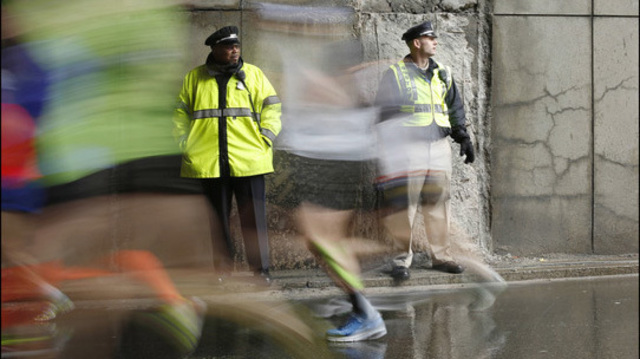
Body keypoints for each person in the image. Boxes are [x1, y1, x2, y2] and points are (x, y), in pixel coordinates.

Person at [276, 39, 386, 342]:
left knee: (324, 243)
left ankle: (365, 312)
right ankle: (361, 304)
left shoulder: (332, 88)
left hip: (333, 172)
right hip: (321, 170)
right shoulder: (337, 87)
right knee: (319, 243)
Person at [173, 26, 282, 283]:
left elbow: (272, 108)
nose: (234, 51)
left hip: (249, 160)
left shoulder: (254, 75)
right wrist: (184, 143)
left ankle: (260, 271)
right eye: (227, 47)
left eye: (236, 46)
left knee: (253, 220)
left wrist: (265, 138)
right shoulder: (194, 78)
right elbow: (179, 114)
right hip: (208, 161)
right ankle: (221, 271)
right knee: (217, 221)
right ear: (214, 49)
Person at [374, 21, 475, 281]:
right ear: (417, 43)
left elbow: (454, 107)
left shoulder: (443, 72)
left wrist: (462, 136)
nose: (436, 41)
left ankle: (442, 257)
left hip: (439, 147)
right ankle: (400, 260)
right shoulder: (395, 74)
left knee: (439, 205)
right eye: (431, 37)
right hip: (408, 148)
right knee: (403, 206)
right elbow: (384, 115)